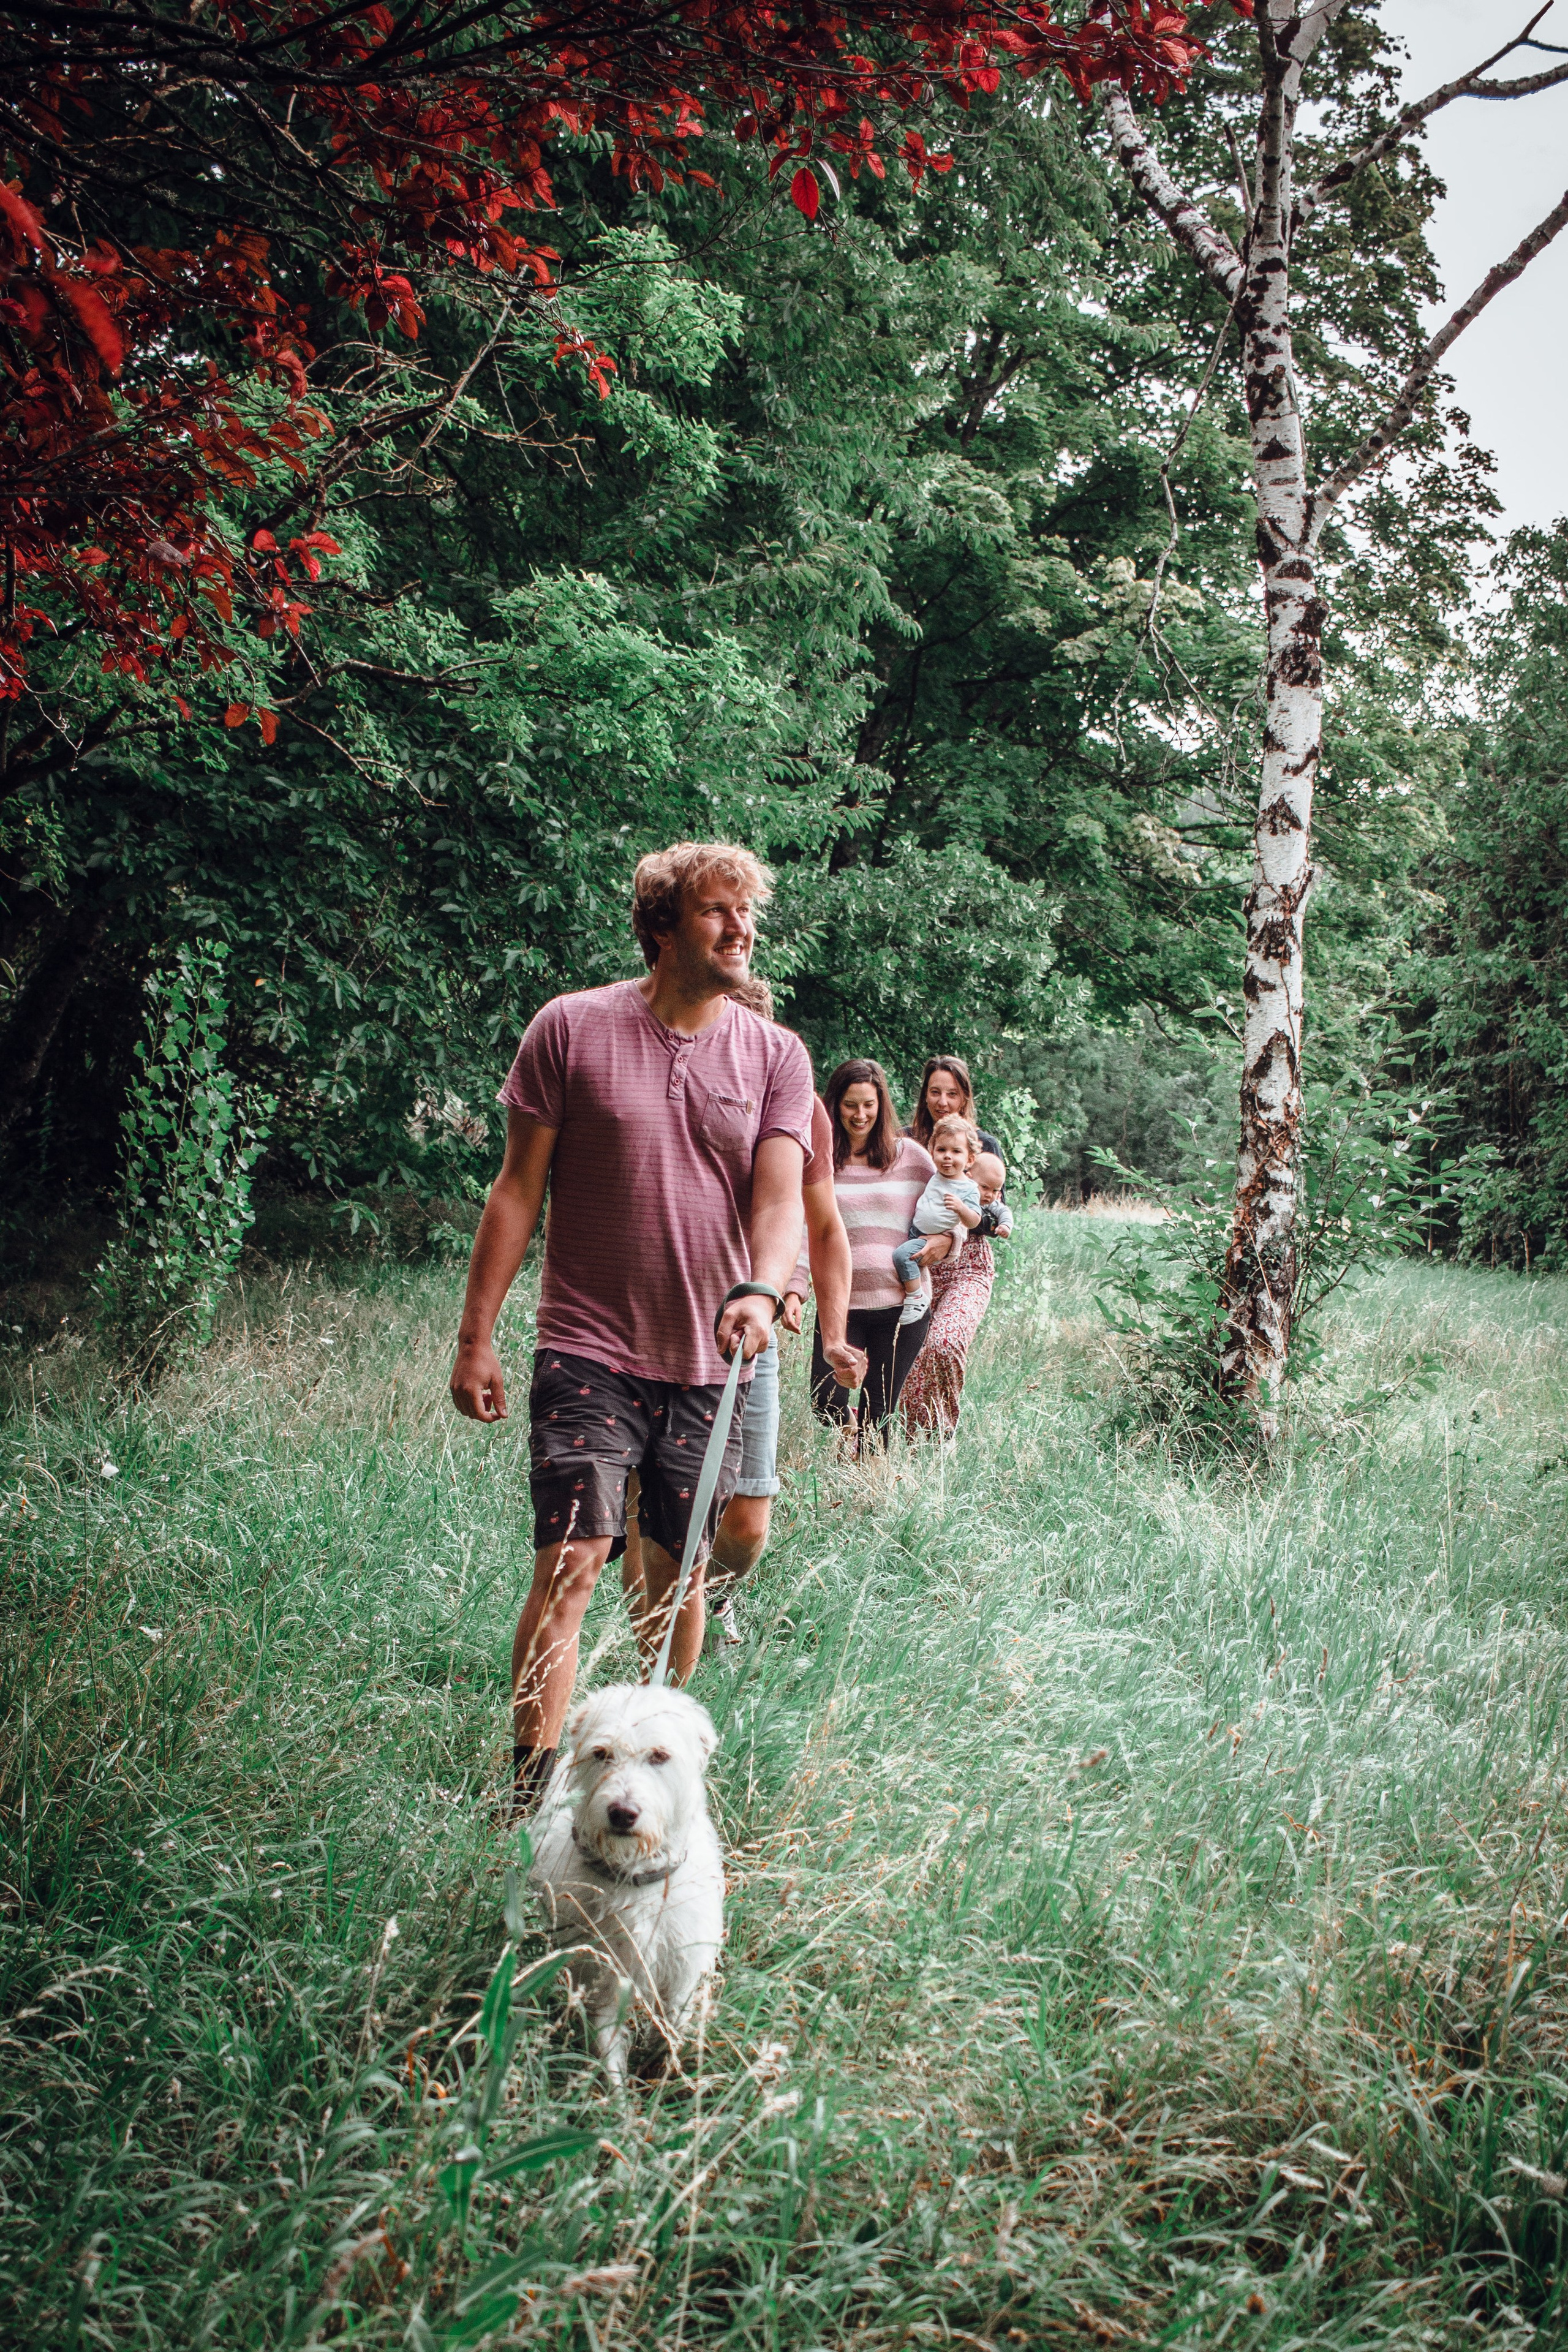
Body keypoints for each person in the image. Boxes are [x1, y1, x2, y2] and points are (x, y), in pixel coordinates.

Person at [448, 840, 815, 1818]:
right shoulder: (568, 1029)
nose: (741, 930)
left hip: (709, 1355)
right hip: (586, 1345)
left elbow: (780, 1203)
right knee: (570, 1561)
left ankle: (651, 1785)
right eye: (717, 912)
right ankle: (525, 1798)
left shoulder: (777, 1055)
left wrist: (760, 1287)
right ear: (661, 924)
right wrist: (475, 1337)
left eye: (748, 915)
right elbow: (517, 1187)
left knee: (674, 1579)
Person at [620, 973, 862, 1648]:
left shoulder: (797, 1099)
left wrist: (826, 1327)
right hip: (646, 1327)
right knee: (653, 1516)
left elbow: (819, 1226)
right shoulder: (657, 1078)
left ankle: (714, 1601)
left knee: (748, 1519)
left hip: (745, 1341)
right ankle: (654, 1665)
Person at [790, 1058, 935, 1450]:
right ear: (835, 1105)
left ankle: (869, 1492)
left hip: (902, 1307)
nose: (860, 1115)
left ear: (881, 1104)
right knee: (826, 1400)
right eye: (851, 1105)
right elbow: (806, 1231)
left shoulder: (912, 1157)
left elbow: (945, 1213)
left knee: (879, 1409)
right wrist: (795, 1287)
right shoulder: (818, 1162)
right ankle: (849, 1431)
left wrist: (942, 1245)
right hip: (843, 1305)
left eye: (869, 1104)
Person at [901, 1057, 1003, 1444]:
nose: (943, 1101)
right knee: (907, 1358)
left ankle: (939, 1439)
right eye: (935, 1092)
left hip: (968, 1265)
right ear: (924, 1094)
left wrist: (953, 1234)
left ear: (965, 1097)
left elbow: (994, 1215)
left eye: (953, 1093)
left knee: (945, 1344)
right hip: (917, 1264)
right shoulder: (905, 1142)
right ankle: (908, 1443)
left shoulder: (982, 1146)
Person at [892, 1114, 983, 1326]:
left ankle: (916, 1297)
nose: (947, 1157)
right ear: (932, 1151)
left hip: (929, 1238)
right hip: (914, 1230)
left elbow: (974, 1222)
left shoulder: (968, 1188)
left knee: (902, 1256)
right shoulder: (935, 1175)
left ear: (970, 1159)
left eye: (956, 1152)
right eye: (941, 1150)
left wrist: (961, 1209)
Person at [973, 1152, 1014, 1241]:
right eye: (984, 1187)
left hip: (972, 1248)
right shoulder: (959, 1193)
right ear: (969, 1178)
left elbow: (1004, 1210)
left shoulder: (986, 1203)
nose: (989, 1195)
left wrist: (1005, 1225)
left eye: (995, 1191)